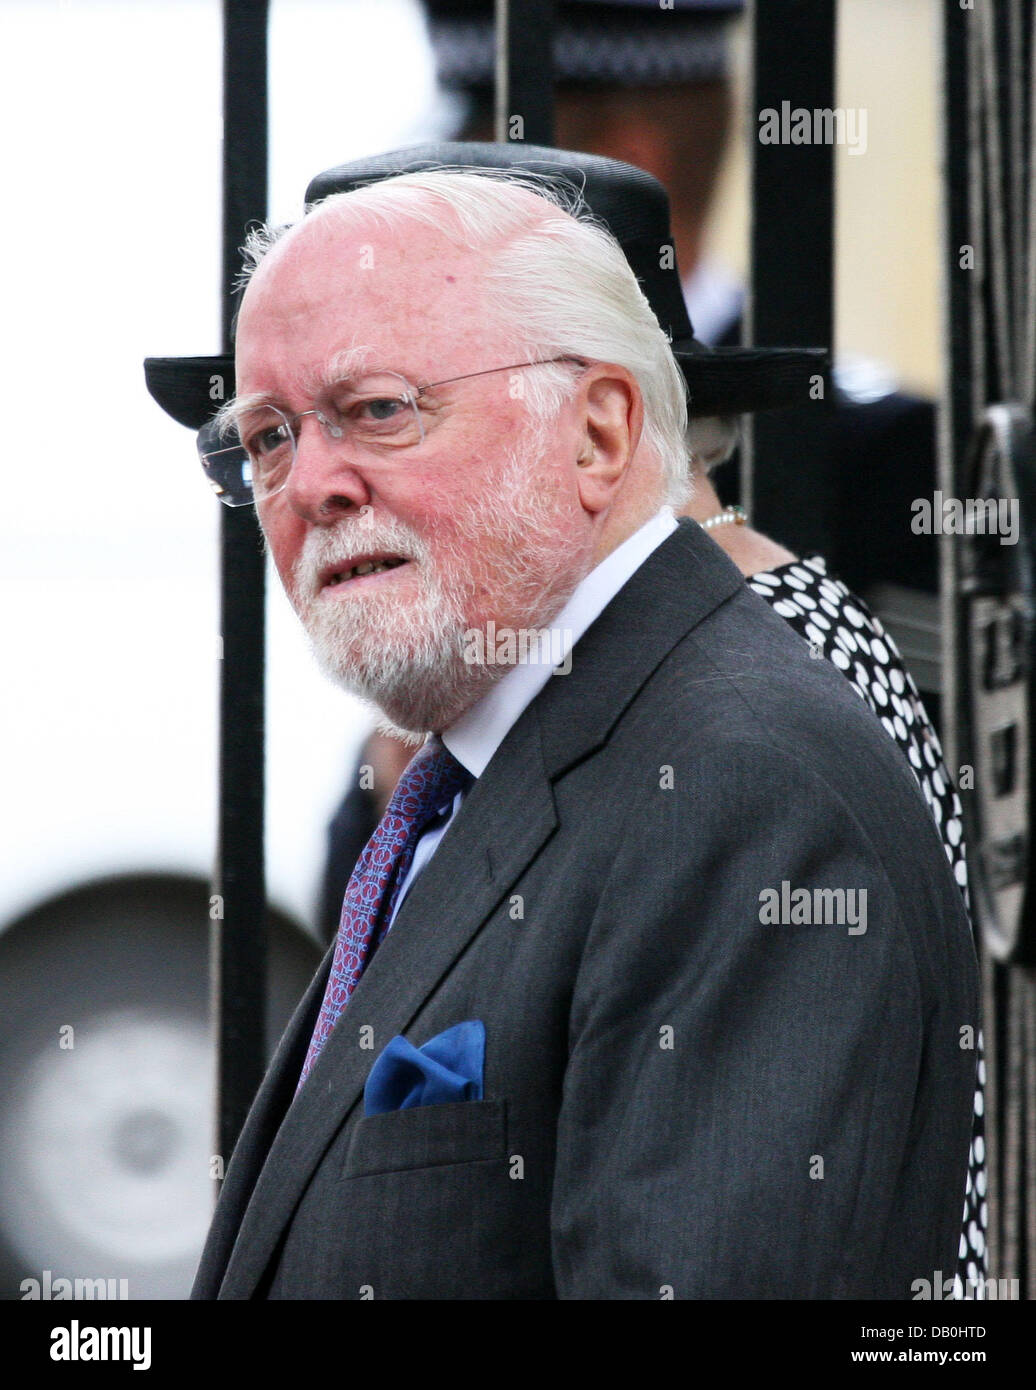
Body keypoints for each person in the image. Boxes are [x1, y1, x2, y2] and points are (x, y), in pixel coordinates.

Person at [168, 149, 978, 1299]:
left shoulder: (742, 791)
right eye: (267, 439)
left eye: (379, 410)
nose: (311, 485)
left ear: (599, 435)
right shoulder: (493, 753)